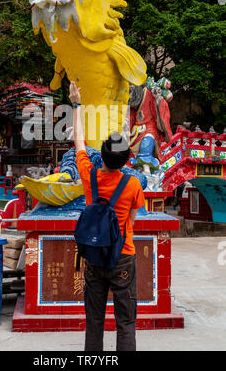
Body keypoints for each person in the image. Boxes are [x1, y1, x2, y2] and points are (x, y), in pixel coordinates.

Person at [69, 81, 145, 352]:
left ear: (99, 155)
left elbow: (78, 140)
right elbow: (131, 221)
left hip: (93, 255)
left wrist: (76, 104)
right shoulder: (133, 184)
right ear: (126, 160)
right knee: (126, 322)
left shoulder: (89, 176)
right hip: (123, 255)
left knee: (94, 320)